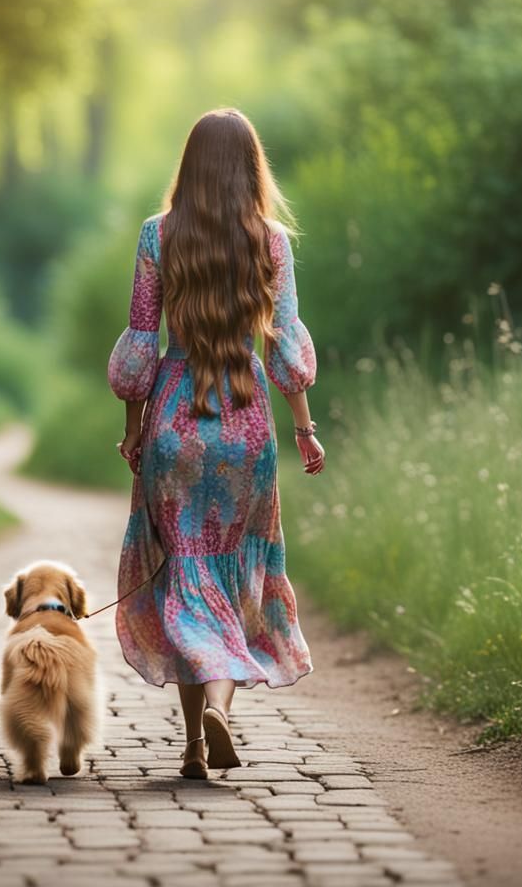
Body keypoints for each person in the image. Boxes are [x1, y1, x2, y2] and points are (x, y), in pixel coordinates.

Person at [106, 107, 325, 779]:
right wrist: (305, 429)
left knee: (184, 576)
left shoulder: (158, 235)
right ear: (251, 167)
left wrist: (134, 430)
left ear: (191, 165)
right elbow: (283, 347)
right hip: (245, 424)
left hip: (175, 418)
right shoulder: (271, 241)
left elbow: (142, 342)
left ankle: (194, 747)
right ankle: (220, 711)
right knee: (229, 576)